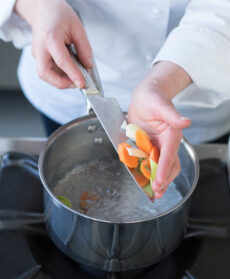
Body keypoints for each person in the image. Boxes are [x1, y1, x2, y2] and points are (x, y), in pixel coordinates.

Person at [1, 0, 230, 199]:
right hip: (63, 75)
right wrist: (38, 7)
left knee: (204, 190)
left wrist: (162, 83)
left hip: (197, 84)